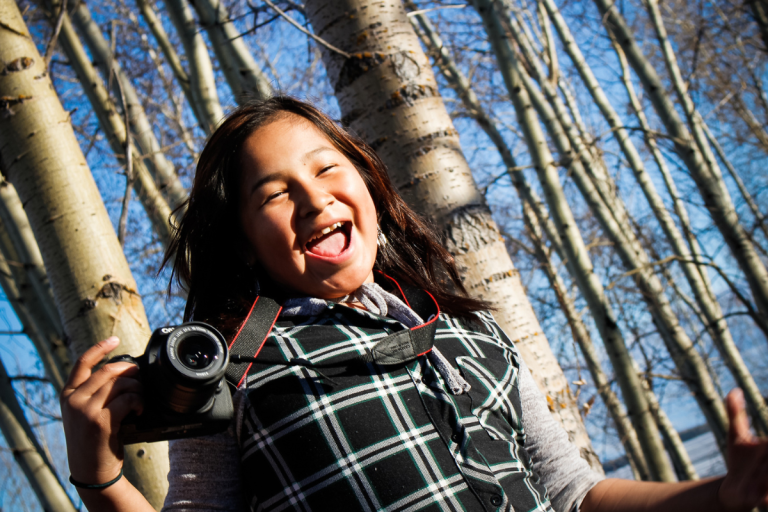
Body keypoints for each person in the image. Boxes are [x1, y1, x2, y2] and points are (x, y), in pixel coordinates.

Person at [61, 96, 768, 512]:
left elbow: (574, 493)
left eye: (328, 168)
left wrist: (719, 496)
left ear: (367, 185)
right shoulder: (233, 373)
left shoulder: (471, 331)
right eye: (274, 194)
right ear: (244, 244)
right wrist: (100, 481)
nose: (314, 199)